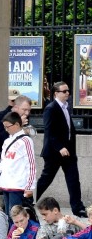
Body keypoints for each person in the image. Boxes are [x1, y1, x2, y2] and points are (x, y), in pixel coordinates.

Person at [36, 82, 87, 217]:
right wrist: (60, 147)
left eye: (68, 91)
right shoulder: (51, 108)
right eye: (64, 91)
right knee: (46, 179)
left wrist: (70, 147)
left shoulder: (66, 107)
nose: (67, 93)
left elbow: (68, 129)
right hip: (54, 152)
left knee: (73, 180)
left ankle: (78, 208)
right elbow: (50, 131)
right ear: (56, 94)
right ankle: (29, 199)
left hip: (68, 152)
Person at [0, 94, 32, 167]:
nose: (27, 113)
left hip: (19, 159)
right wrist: (17, 125)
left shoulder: (24, 117)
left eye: (29, 110)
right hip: (2, 159)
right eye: (24, 110)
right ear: (15, 107)